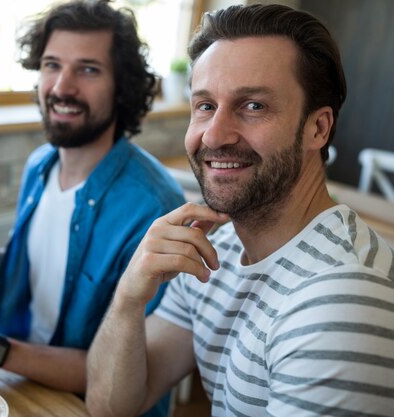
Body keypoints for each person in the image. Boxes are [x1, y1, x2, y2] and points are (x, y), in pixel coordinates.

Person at [87, 3, 394, 417]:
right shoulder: (217, 247)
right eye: (205, 105)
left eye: (253, 106)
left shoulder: (341, 296)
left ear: (317, 128)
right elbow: (113, 407)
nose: (214, 134)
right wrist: (128, 296)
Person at [0, 1, 184, 416]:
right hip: (19, 377)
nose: (62, 87)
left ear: (121, 86)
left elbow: (115, 377)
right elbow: (41, 274)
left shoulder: (154, 211)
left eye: (88, 69)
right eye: (52, 65)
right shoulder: (40, 165)